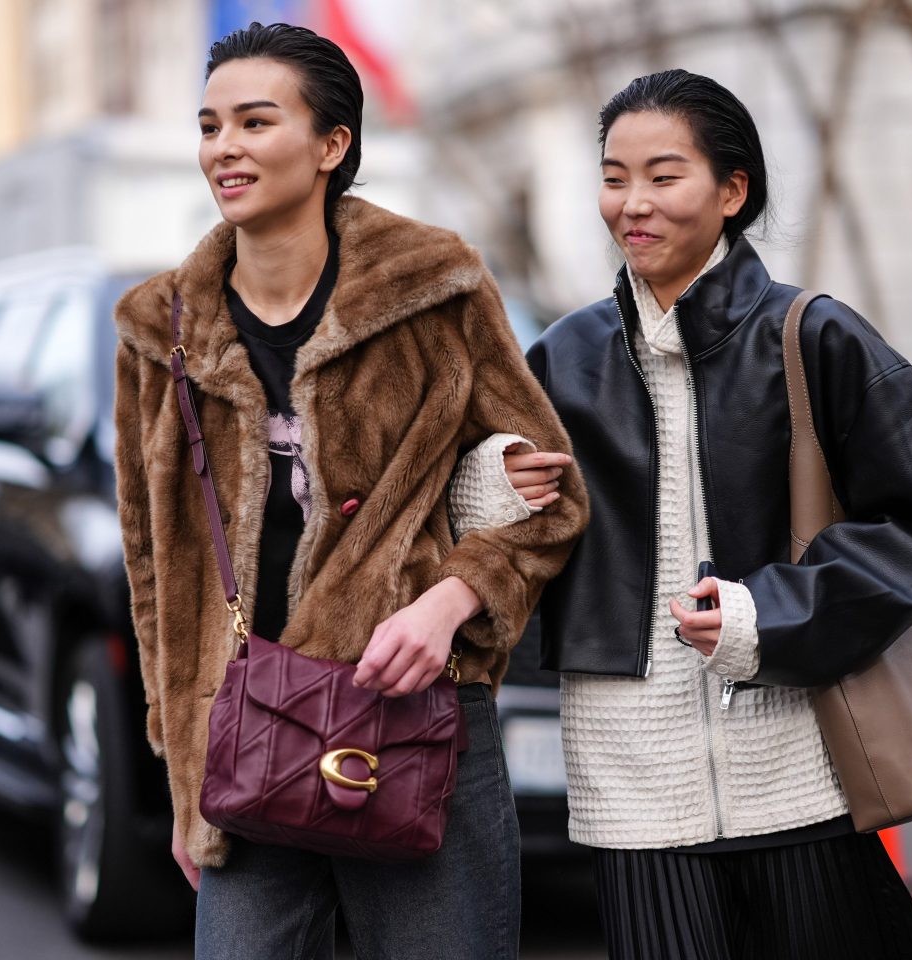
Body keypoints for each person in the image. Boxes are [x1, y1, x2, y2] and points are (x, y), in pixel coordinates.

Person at [462, 69, 912, 959]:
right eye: (615, 177)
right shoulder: (563, 355)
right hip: (631, 779)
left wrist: (759, 616)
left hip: (798, 765)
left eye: (664, 176)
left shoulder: (818, 339)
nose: (632, 203)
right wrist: (495, 480)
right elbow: (479, 523)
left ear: (732, 192)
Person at [111, 23, 588, 960]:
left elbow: (555, 498)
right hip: (246, 744)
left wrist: (450, 603)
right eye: (210, 126)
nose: (225, 148)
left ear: (333, 145)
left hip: (412, 723)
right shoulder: (158, 330)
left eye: (255, 121)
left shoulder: (433, 288)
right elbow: (152, 568)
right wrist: (181, 775)